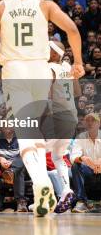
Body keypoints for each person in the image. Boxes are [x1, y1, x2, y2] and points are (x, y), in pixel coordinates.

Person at [0, 0, 84, 217]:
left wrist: (9, 50)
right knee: (34, 130)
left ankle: (41, 183)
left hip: (16, 71)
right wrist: (79, 62)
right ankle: (43, 183)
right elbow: (72, 30)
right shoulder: (46, 5)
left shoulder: (0, 7)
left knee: (26, 130)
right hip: (40, 70)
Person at [46, 40, 81, 213]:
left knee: (35, 152)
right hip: (71, 117)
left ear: (54, 54)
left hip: (58, 117)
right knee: (57, 156)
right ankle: (66, 190)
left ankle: (46, 197)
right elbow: (77, 92)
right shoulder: (67, 67)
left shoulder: (49, 68)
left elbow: (48, 96)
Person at [71, 113, 101, 212]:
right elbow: (73, 156)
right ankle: (81, 202)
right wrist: (83, 158)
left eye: (93, 120)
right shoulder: (80, 137)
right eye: (87, 120)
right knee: (76, 165)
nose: (90, 123)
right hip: (89, 172)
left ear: (98, 123)